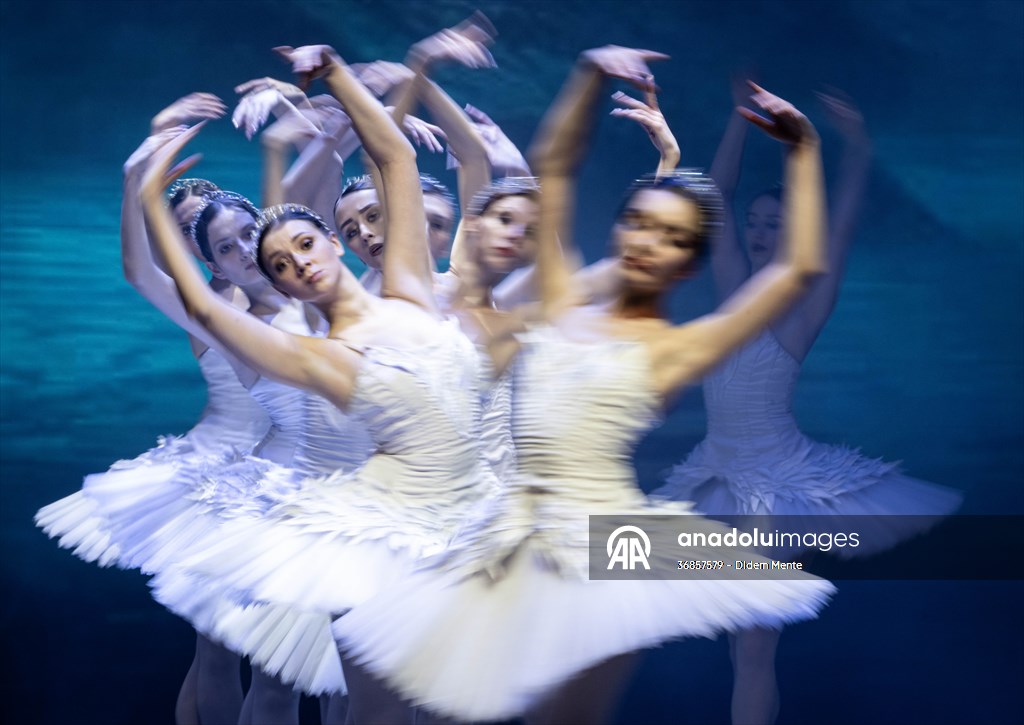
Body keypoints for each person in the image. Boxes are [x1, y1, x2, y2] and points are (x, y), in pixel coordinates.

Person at [335, 46, 835, 724]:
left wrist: (803, 151)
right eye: (639, 223)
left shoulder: (678, 348)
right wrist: (591, 72)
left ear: (691, 262)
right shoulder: (565, 299)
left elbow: (798, 269)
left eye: (673, 238)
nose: (649, 242)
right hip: (498, 530)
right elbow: (553, 166)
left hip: (597, 547)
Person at [139, 43, 495, 725]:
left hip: (462, 518)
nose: (297, 262)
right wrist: (152, 198)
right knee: (370, 704)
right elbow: (204, 304)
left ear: (331, 242)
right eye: (278, 262)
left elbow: (397, 160)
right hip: (382, 532)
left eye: (304, 243)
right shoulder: (312, 357)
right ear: (272, 284)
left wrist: (335, 75)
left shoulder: (414, 287)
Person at [653, 85, 961, 724]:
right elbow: (715, 199)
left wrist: (856, 146)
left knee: (755, 644)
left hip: (772, 482)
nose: (760, 233)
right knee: (732, 641)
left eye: (777, 225)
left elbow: (839, 229)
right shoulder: (733, 291)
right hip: (718, 472)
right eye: (755, 225)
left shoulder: (799, 309)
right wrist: (738, 120)